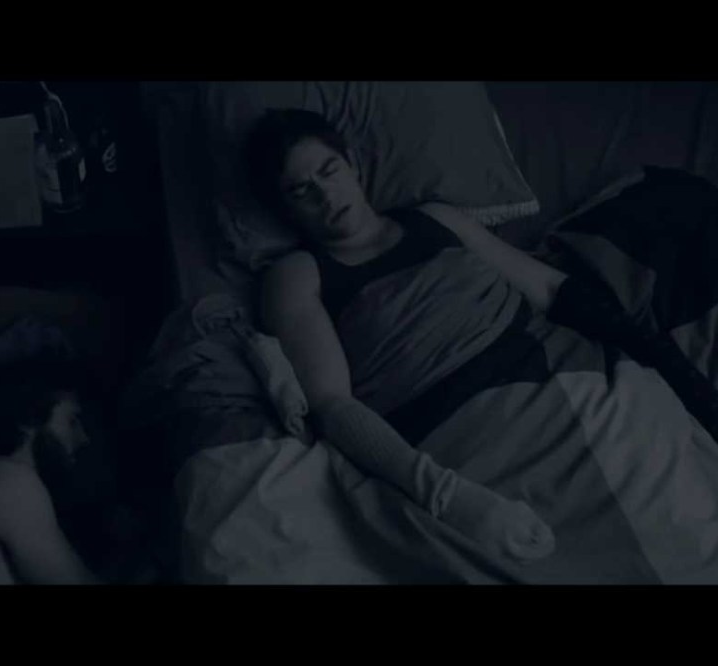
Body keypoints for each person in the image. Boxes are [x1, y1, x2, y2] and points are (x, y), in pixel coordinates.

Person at [245, 108, 718, 564]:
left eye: (329, 171)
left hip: (558, 379)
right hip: (455, 429)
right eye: (302, 190)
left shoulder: (435, 218)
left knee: (675, 505)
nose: (325, 195)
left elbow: (549, 288)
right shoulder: (296, 276)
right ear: (285, 209)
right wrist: (447, 495)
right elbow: (333, 405)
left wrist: (673, 368)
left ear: (352, 163)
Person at [0, 358, 152, 585]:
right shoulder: (1, 479)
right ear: (29, 420)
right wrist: (138, 551)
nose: (82, 438)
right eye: (71, 421)